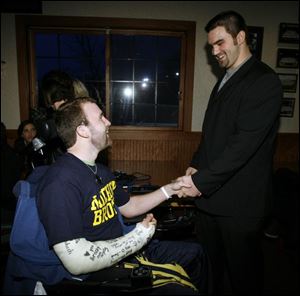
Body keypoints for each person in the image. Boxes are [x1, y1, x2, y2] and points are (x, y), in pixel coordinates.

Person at [36, 97, 209, 295]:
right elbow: (76, 261)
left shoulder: (100, 170)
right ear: (82, 130)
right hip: (99, 272)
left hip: (125, 251)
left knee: (196, 254)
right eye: (101, 118)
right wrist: (137, 238)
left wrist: (170, 189)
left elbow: (130, 207)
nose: (108, 122)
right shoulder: (59, 182)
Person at [176, 11, 282, 296]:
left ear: (241, 37)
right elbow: (213, 134)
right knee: (211, 272)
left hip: (240, 207)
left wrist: (200, 182)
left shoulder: (264, 81)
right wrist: (195, 165)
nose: (215, 52)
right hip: (211, 200)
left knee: (243, 278)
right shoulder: (226, 78)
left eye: (220, 43)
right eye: (211, 46)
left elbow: (242, 146)